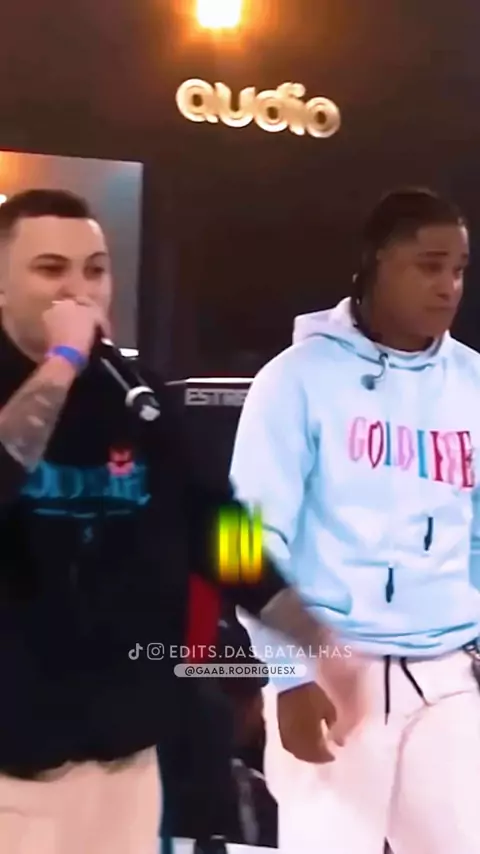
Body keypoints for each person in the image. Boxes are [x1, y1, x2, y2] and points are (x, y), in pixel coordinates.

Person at [0, 188, 362, 854]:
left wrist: (302, 622)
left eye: (95, 270)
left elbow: (215, 521)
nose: (79, 290)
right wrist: (62, 362)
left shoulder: (135, 395)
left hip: (125, 762)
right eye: (51, 269)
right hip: (12, 773)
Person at [230, 187, 480, 854]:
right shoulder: (295, 379)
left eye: (459, 269)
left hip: (448, 673)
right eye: (429, 266)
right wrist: (287, 675)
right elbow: (243, 538)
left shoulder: (473, 383)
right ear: (375, 263)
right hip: (333, 668)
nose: (449, 286)